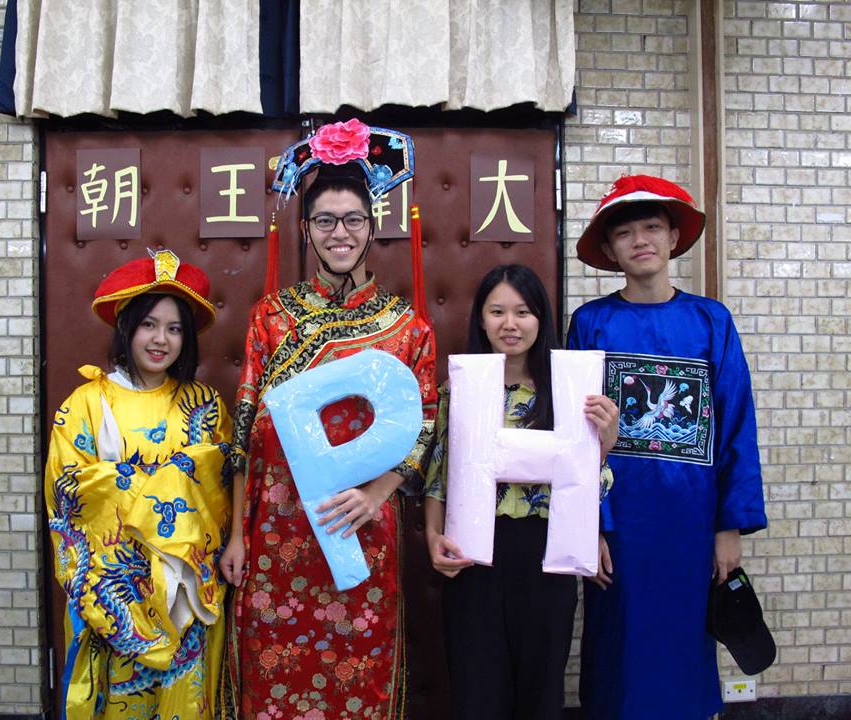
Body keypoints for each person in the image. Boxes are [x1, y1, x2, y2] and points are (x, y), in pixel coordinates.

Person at [218, 120, 436, 719]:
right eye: (325, 221)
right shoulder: (271, 318)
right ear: (306, 230)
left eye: (353, 220)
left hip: (359, 527)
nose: (340, 234)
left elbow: (424, 428)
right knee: (272, 674)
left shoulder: (408, 329)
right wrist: (237, 533)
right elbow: (243, 431)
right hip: (277, 531)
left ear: (373, 226)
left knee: (359, 673)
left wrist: (377, 495)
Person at [567, 175, 768, 720]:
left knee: (685, 646)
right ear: (609, 249)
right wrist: (589, 526)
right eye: (625, 233)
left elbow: (735, 425)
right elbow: (575, 438)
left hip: (691, 523)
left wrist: (728, 527)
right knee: (618, 650)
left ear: (674, 237)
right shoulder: (591, 323)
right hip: (619, 525)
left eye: (652, 227)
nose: (641, 240)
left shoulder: (711, 321)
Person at [422, 264, 617, 720]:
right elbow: (439, 472)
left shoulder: (570, 394)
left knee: (541, 689)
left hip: (546, 552)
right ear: (481, 319)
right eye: (497, 312)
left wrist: (604, 444)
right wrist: (432, 536)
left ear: (540, 318)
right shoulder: (459, 388)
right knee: (477, 689)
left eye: (523, 312)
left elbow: (593, 482)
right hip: (474, 553)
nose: (510, 324)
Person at [44, 250, 232, 720]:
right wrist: (171, 480)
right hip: (117, 589)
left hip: (186, 589)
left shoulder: (205, 404)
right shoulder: (87, 403)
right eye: (149, 324)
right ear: (127, 328)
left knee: (184, 702)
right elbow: (69, 491)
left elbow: (220, 486)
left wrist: (133, 481)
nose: (161, 339)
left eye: (174, 329)